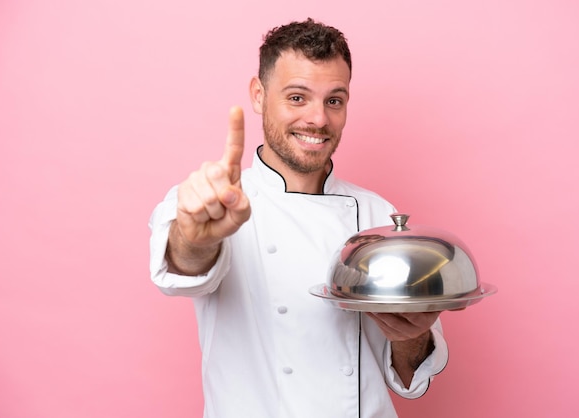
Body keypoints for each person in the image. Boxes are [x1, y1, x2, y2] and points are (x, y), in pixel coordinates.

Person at [149, 18, 448, 418]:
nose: (318, 120)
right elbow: (185, 266)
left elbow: (412, 378)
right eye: (297, 98)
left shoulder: (379, 215)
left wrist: (411, 337)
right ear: (258, 95)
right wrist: (196, 237)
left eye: (334, 100)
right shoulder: (209, 201)